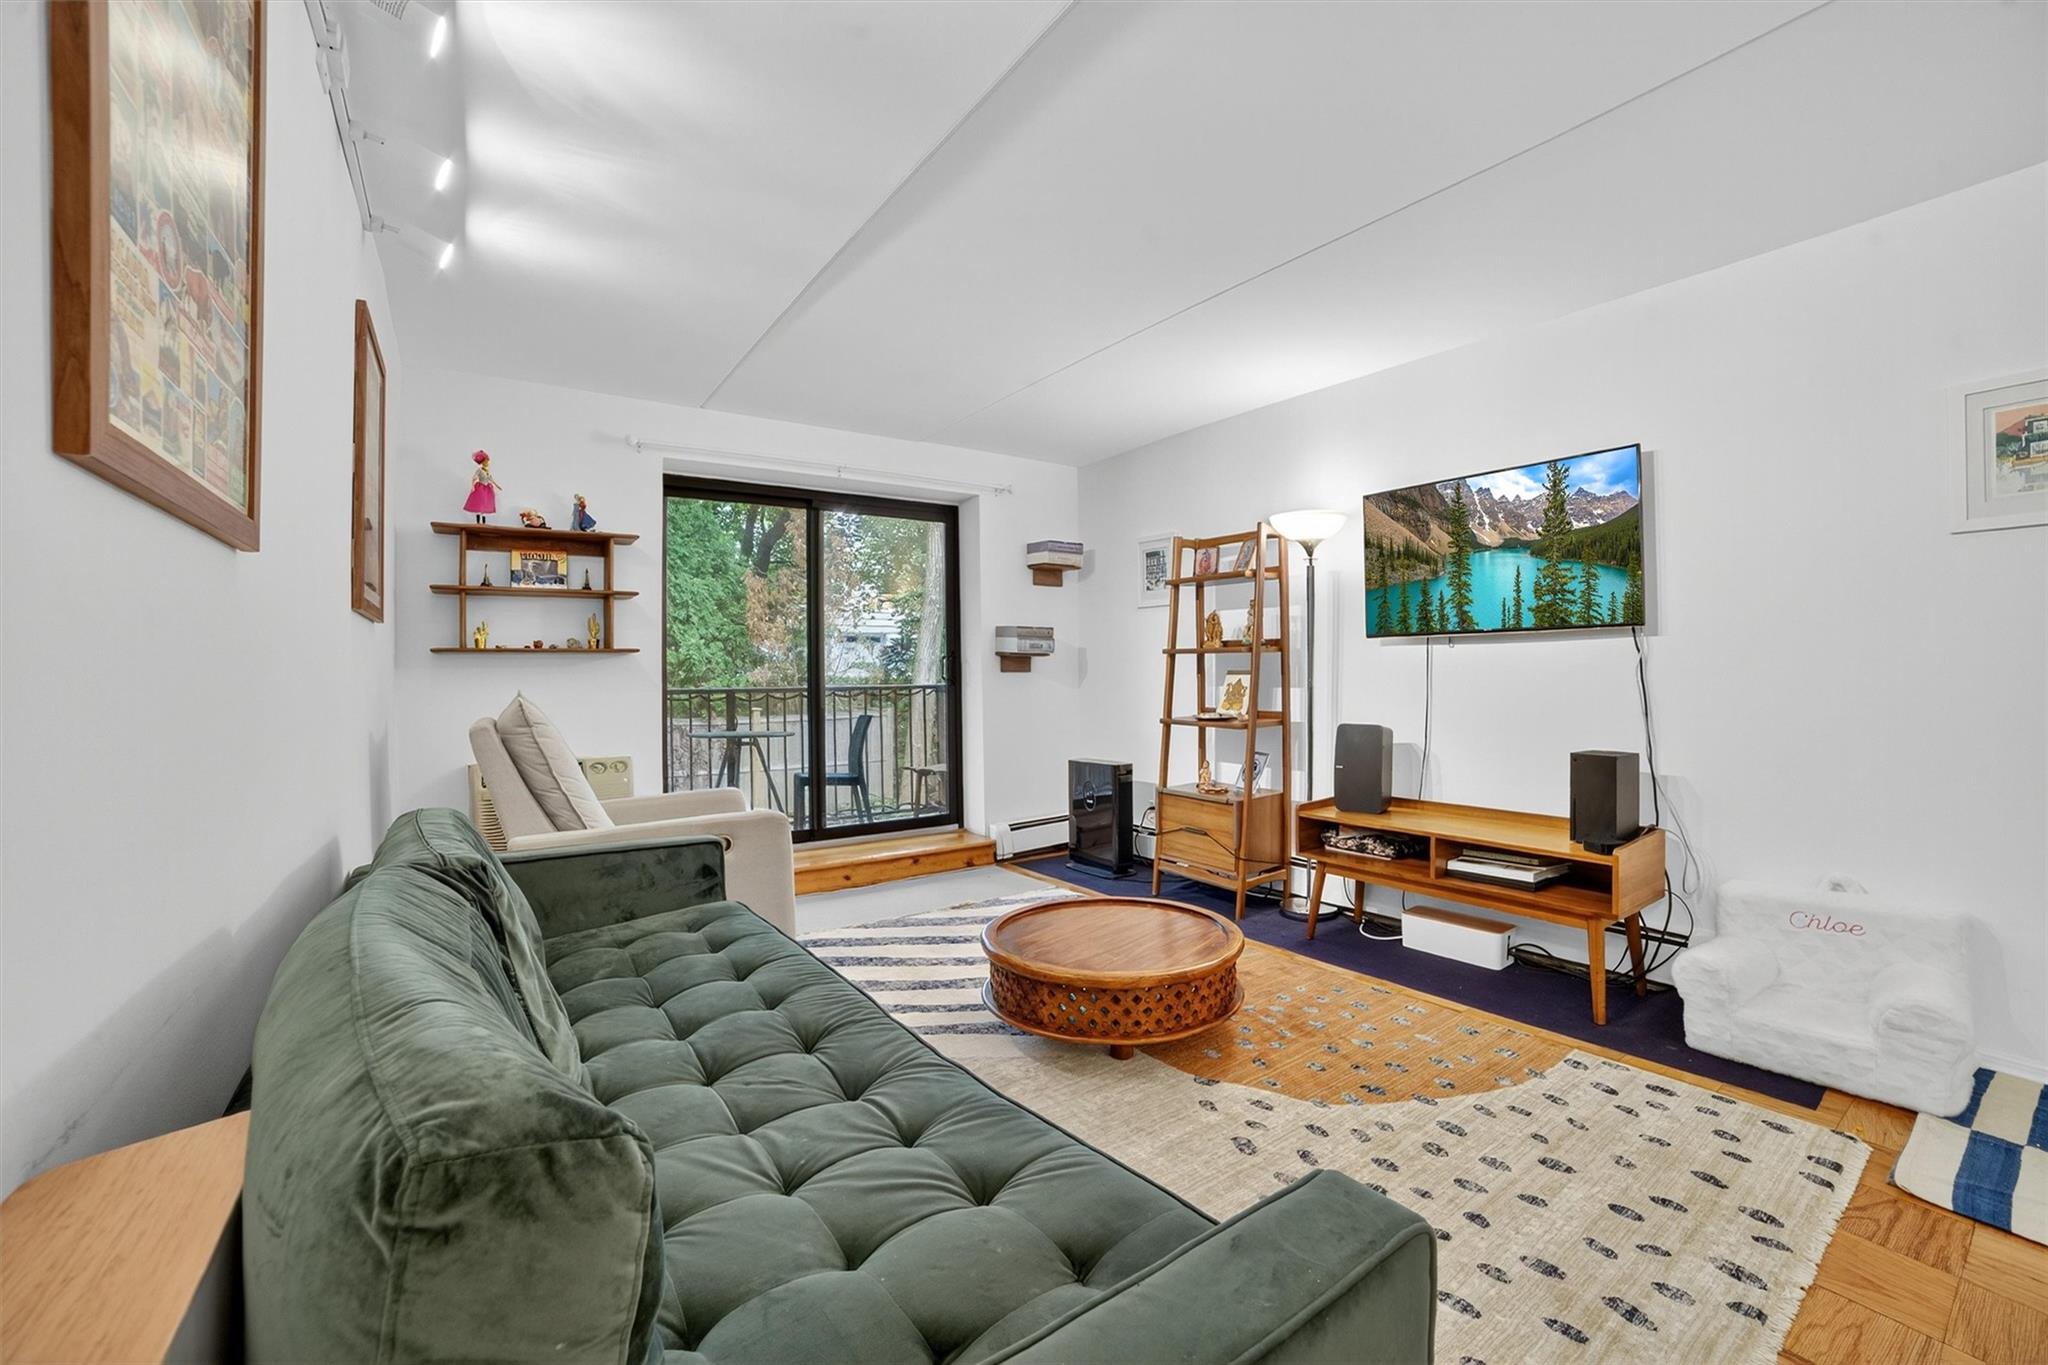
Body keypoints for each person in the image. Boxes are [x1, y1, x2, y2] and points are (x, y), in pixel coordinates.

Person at [464, 450, 500, 522]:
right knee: (479, 503)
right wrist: (473, 486)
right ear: (483, 462)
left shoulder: (487, 471)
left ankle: (483, 521)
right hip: (480, 488)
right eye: (486, 461)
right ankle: (478, 521)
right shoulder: (479, 470)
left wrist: (497, 485)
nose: (487, 463)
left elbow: (490, 478)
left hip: (487, 488)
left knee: (485, 504)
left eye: (487, 462)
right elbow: (474, 477)